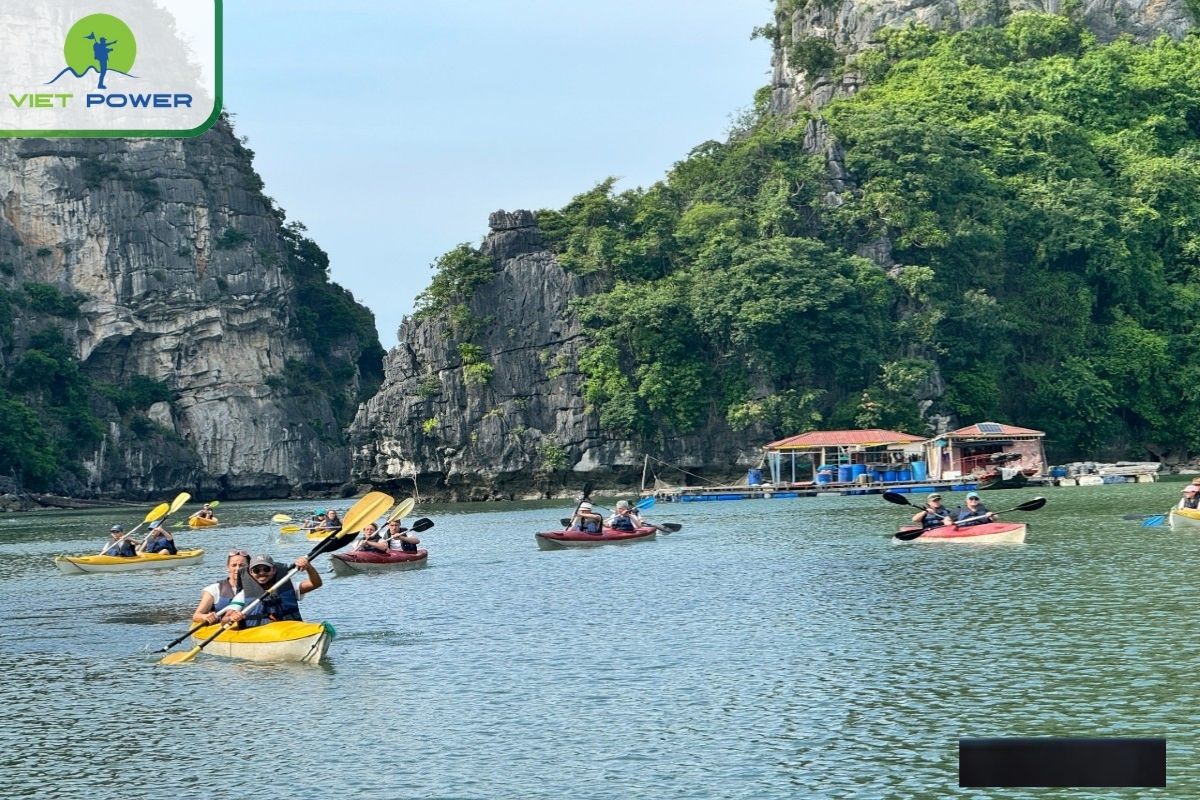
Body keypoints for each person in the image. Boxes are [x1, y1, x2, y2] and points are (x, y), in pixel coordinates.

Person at [223, 554, 322, 628]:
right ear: (251, 572)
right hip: (260, 633)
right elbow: (224, 620)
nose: (262, 573)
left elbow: (316, 584)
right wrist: (232, 617)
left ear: (274, 570)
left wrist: (309, 567)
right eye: (256, 570)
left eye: (266, 569)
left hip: (289, 629)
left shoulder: (288, 587)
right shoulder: (243, 595)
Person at [191, 549, 249, 624]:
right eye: (234, 565)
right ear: (228, 568)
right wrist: (205, 617)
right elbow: (196, 616)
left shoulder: (255, 588)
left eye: (242, 565)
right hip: (222, 628)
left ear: (249, 568)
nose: (237, 569)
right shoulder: (214, 589)